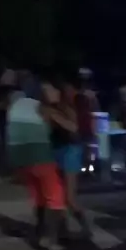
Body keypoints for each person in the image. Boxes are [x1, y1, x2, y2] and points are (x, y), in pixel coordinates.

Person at [6, 77, 66, 250]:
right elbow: (68, 127)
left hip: (21, 158)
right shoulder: (42, 107)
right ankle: (50, 239)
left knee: (39, 196)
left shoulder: (16, 105)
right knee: (55, 198)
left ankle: (40, 231)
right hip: (40, 156)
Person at [41, 75, 92, 238]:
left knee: (69, 197)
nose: (47, 93)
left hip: (71, 149)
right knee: (56, 195)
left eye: (50, 90)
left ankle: (85, 227)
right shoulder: (44, 108)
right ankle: (62, 230)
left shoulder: (66, 107)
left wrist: (55, 116)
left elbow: (74, 128)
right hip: (55, 150)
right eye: (45, 90)